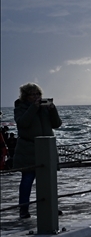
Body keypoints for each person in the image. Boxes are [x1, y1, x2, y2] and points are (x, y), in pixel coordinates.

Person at [13, 83, 62, 219]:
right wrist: (33, 108)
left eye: (38, 94)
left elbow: (57, 124)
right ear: (26, 96)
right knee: (27, 179)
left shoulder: (44, 108)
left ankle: (50, 206)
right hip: (28, 148)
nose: (36, 97)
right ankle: (23, 209)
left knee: (48, 180)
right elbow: (22, 123)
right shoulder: (20, 107)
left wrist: (52, 110)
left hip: (46, 148)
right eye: (33, 94)